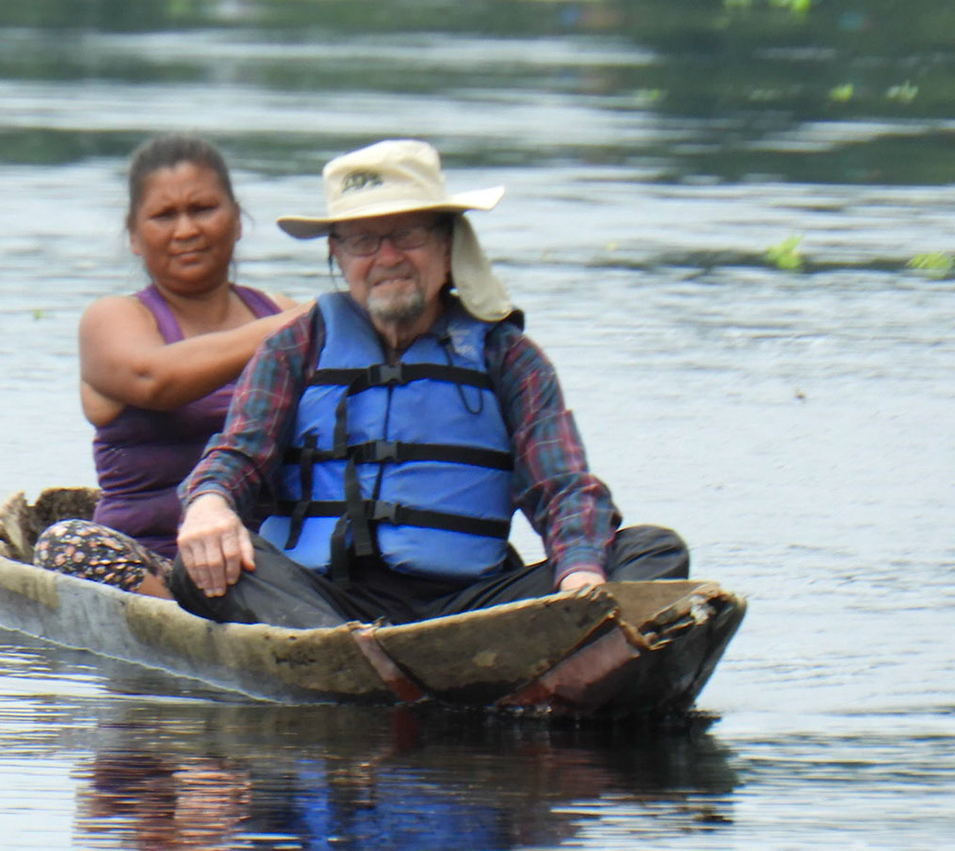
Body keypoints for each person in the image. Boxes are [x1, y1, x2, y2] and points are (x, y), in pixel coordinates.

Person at [169, 138, 688, 629]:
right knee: (198, 566)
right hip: (320, 597)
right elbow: (239, 454)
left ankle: (395, 659)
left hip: (469, 607)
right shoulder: (294, 348)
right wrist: (209, 503)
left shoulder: (508, 358)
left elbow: (564, 487)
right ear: (337, 254)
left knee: (651, 551)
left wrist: (580, 577)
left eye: (408, 235)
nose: (387, 258)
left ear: (447, 245)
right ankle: (345, 652)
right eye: (364, 241)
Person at [34, 135, 304, 598]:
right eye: (164, 216)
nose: (186, 231)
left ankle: (262, 609)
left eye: (202, 209)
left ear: (237, 220)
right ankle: (198, 613)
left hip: (266, 567)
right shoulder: (113, 319)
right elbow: (154, 379)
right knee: (67, 545)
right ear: (135, 236)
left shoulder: (277, 311)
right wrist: (304, 323)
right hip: (152, 569)